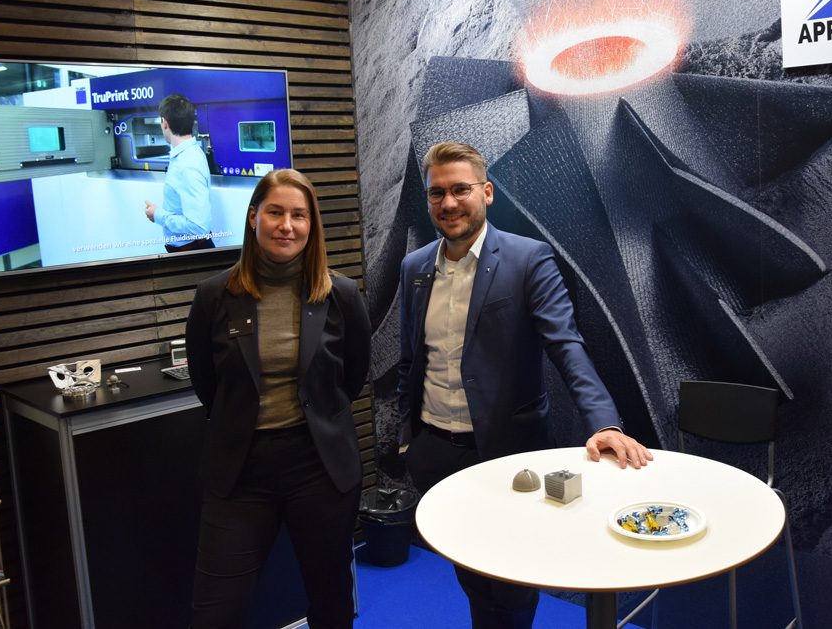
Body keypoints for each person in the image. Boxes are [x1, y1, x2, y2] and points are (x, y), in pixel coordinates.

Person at [397, 142, 653, 629]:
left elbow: (566, 345)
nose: (448, 203)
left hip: (508, 456)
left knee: (514, 582)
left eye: (460, 189)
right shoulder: (415, 268)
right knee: (470, 572)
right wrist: (408, 439)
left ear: (487, 192)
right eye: (436, 193)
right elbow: (412, 360)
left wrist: (604, 423)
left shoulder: (529, 258)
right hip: (436, 454)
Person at [185, 168, 371, 629]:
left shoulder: (341, 295)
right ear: (253, 217)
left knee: (330, 603)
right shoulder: (213, 296)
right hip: (240, 470)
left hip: (319, 466)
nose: (287, 225)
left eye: (298, 215)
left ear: (311, 224)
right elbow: (206, 382)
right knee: (215, 612)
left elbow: (353, 376)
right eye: (275, 212)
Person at [144, 93, 214, 252]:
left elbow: (199, 227)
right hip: (190, 250)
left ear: (165, 123)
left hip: (192, 253)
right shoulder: (191, 152)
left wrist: (157, 215)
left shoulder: (186, 165)